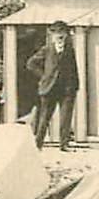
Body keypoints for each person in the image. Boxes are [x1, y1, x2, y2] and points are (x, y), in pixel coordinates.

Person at [27, 21, 80, 151]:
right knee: (44, 118)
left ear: (66, 35)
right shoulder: (47, 50)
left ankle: (64, 144)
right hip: (49, 89)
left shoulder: (69, 51)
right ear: (52, 35)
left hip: (67, 90)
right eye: (57, 33)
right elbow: (31, 64)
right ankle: (38, 144)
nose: (60, 36)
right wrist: (44, 76)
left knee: (65, 118)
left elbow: (74, 69)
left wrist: (75, 85)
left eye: (62, 33)